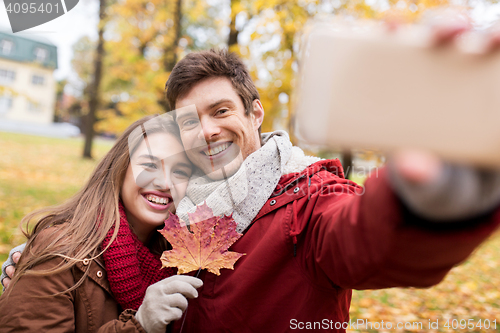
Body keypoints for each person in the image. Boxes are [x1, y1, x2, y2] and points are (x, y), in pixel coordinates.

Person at [4, 20, 500, 333]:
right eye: (189, 121)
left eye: (221, 110)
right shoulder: (181, 214)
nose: (207, 131)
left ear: (256, 113)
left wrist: (433, 197)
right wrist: (47, 259)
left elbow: (366, 242)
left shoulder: (307, 197)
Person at [0, 114, 203, 333]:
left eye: (180, 172)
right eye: (149, 165)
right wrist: (140, 325)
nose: (165, 182)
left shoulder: (189, 261)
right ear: (120, 167)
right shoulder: (62, 253)